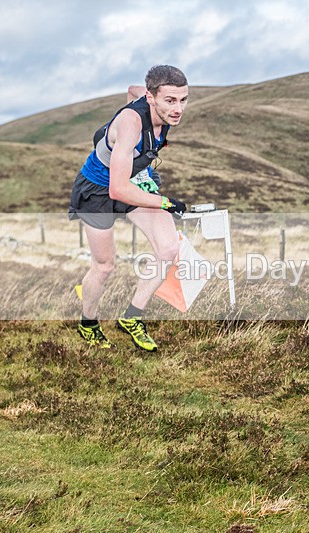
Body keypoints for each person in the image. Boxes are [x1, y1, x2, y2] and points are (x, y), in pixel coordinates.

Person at [68, 65, 190, 351]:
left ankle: (132, 317)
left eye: (183, 99)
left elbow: (132, 89)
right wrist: (166, 202)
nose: (178, 109)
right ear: (152, 98)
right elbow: (117, 189)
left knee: (168, 249)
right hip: (98, 189)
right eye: (170, 101)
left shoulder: (153, 101)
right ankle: (88, 323)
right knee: (104, 265)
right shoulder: (131, 125)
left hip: (131, 180)